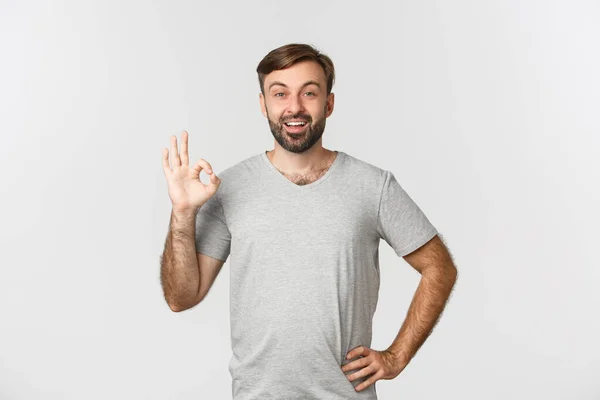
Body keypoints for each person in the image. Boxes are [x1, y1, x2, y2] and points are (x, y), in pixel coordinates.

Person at [160, 43, 458, 399]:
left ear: (328, 103)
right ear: (263, 104)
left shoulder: (373, 187)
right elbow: (182, 297)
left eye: (309, 93)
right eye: (280, 93)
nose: (295, 107)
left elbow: (440, 268)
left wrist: (396, 356)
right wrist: (182, 213)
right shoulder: (229, 188)